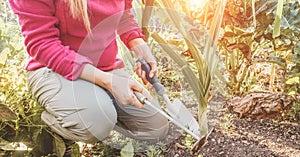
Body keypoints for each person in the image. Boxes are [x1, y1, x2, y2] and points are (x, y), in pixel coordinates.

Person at [9, 0, 169, 155]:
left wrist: (139, 46)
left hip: (104, 67)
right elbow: (42, 43)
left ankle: (97, 107)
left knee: (156, 127)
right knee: (96, 124)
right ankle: (50, 122)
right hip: (54, 68)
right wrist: (108, 82)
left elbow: (124, 15)